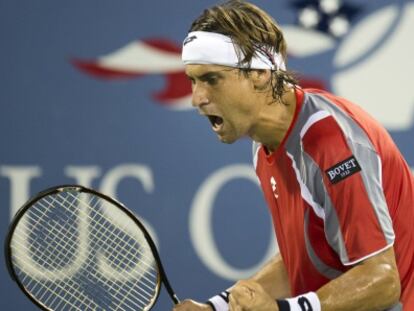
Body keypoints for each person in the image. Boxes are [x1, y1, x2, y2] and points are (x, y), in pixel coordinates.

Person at [175, 1, 414, 310]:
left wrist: (282, 309)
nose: (197, 98)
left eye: (211, 79)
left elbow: (382, 280)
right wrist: (216, 307)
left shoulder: (329, 142)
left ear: (259, 73)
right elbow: (302, 258)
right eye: (192, 80)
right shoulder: (264, 143)